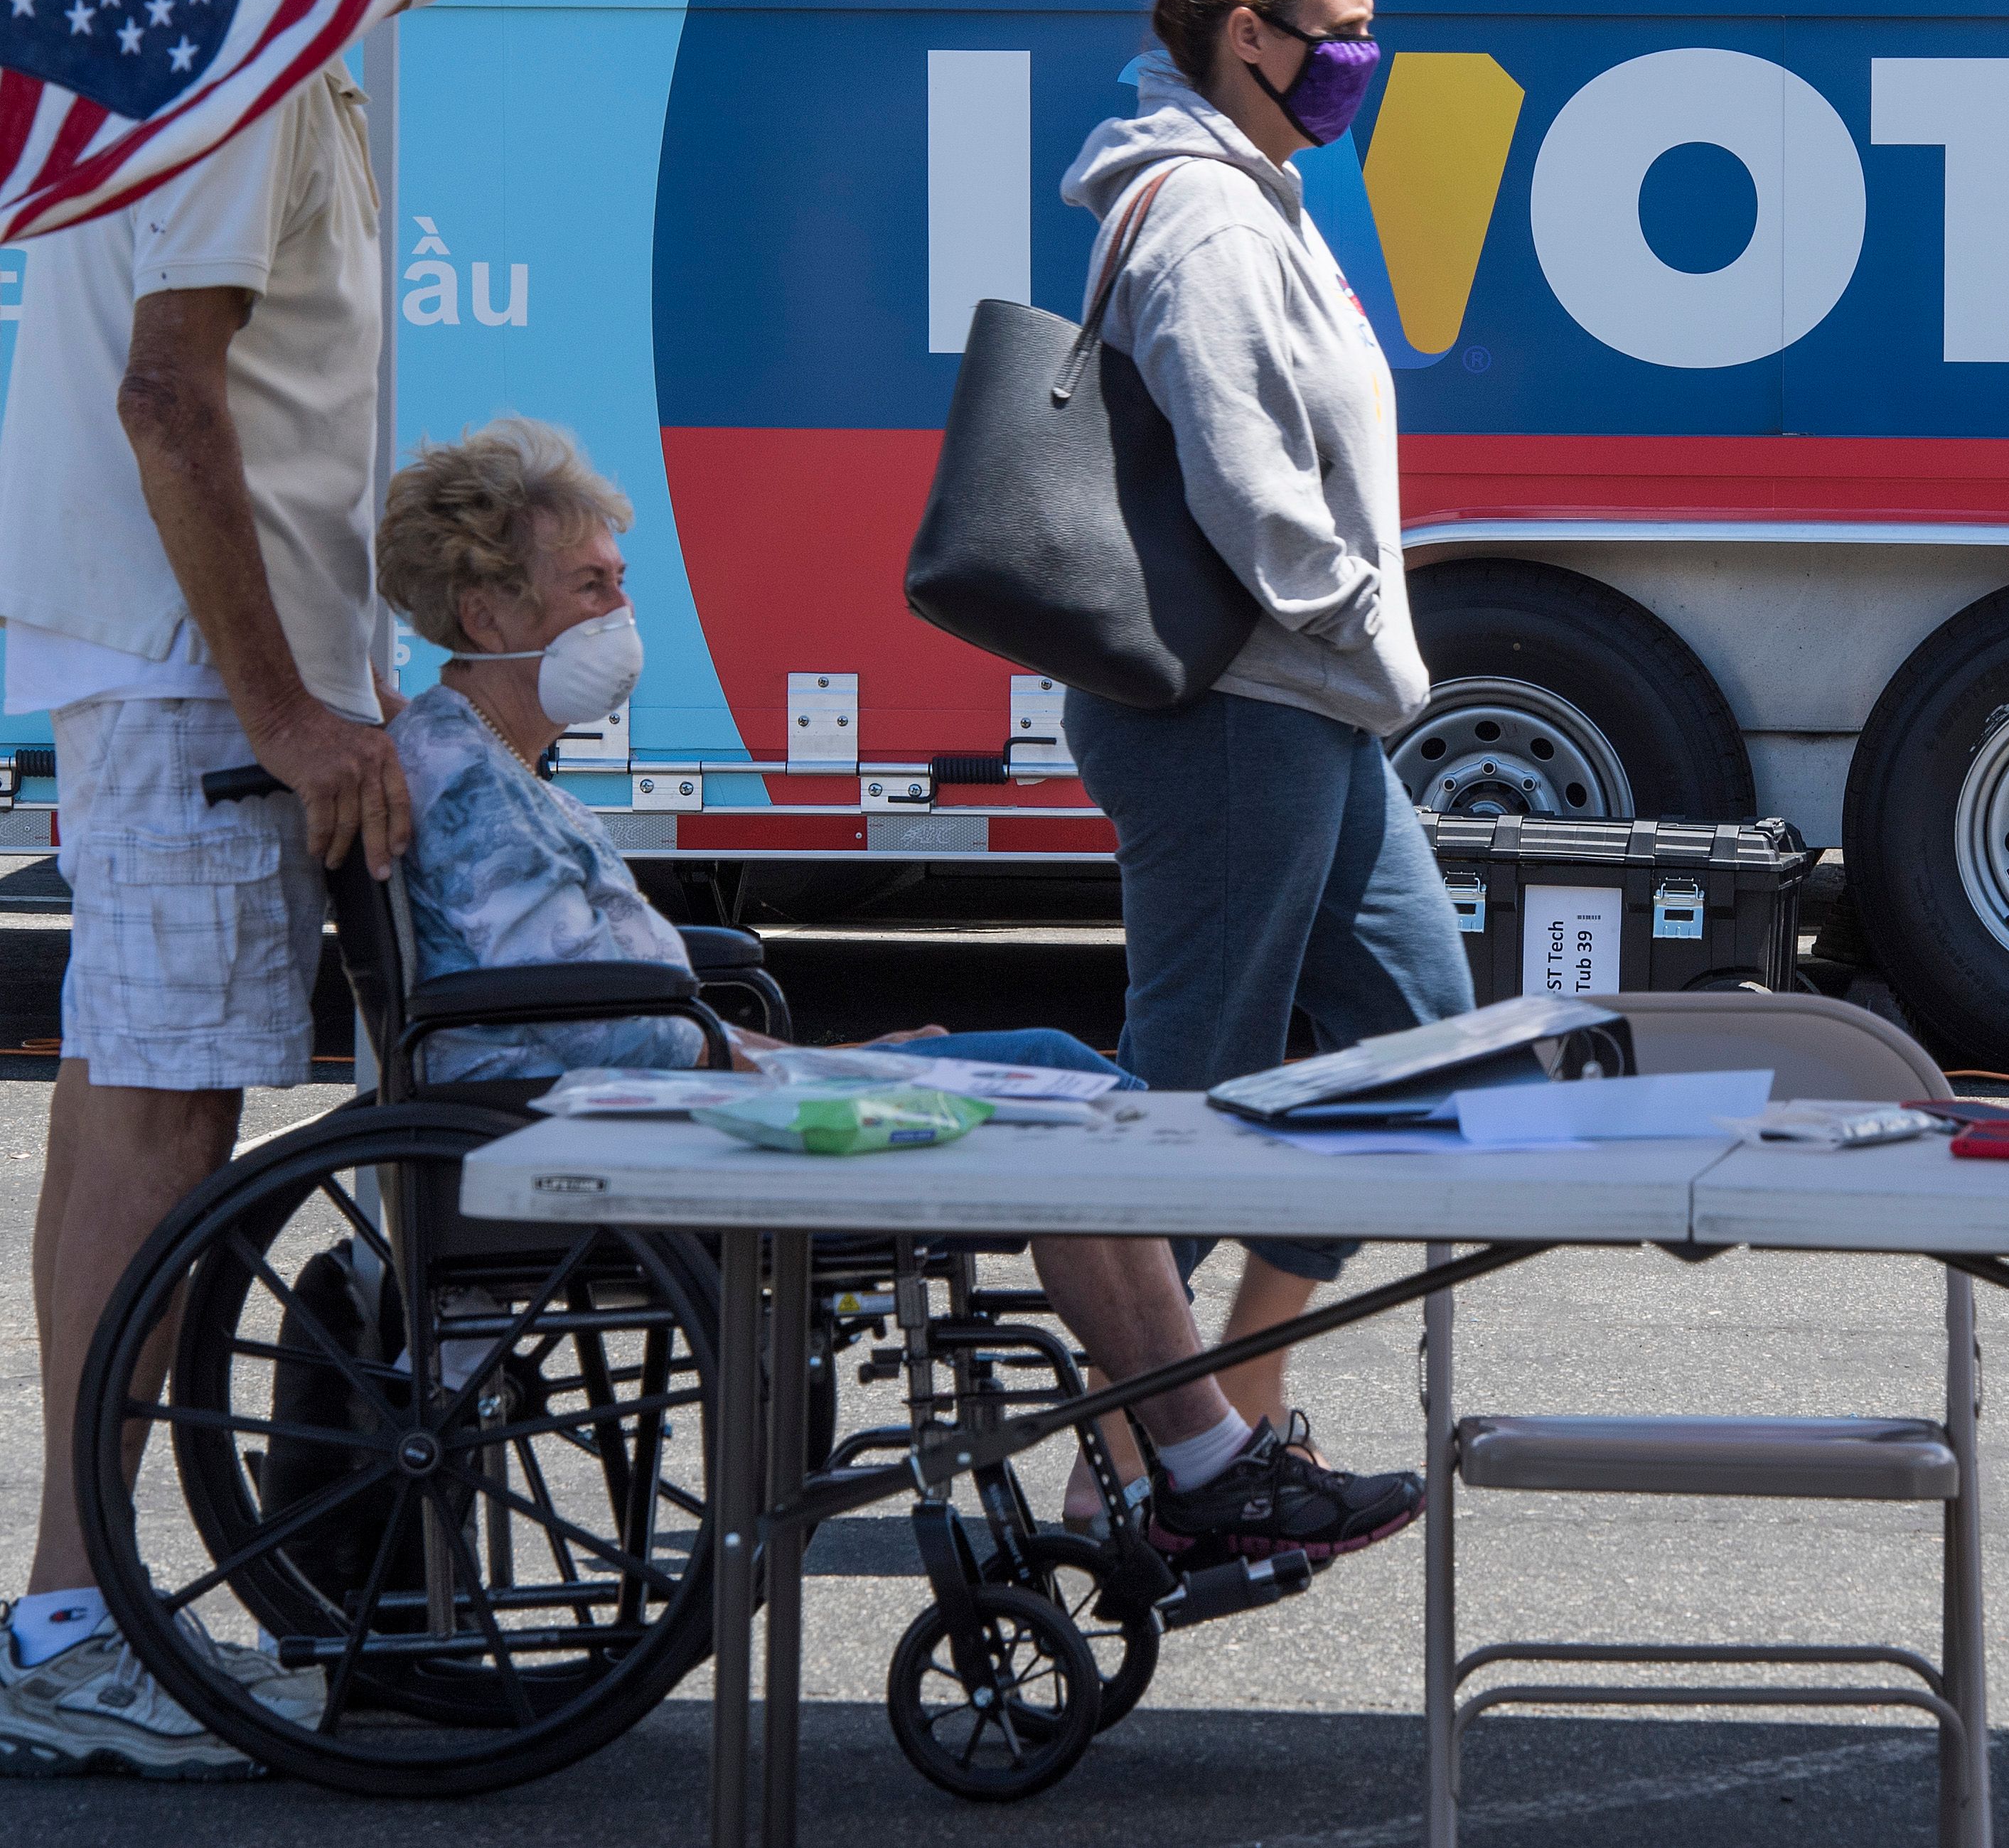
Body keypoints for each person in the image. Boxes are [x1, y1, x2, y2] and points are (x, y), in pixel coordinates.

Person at [371, 417, 1424, 1566]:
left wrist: (818, 1057)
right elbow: (589, 1026)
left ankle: (1196, 1455)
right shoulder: (467, 784)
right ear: (487, 613)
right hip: (618, 1136)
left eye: (619, 582)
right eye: (587, 586)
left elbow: (591, 1003)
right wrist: (808, 1065)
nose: (618, 614)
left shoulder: (489, 765)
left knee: (1058, 1079)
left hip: (656, 1100)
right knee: (1060, 1092)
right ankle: (1204, 1461)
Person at [0, 38, 439, 1773]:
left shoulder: (272, 61)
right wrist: (280, 699)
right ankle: (64, 1617)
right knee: (158, 1104)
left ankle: (71, 1604)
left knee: (149, 1097)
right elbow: (164, 394)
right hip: (189, 682)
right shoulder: (252, 70)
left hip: (188, 669)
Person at [1056, 0, 1474, 1463]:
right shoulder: (1211, 223)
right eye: (1346, 29)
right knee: (1191, 1090)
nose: (1365, 59)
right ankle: (1140, 1457)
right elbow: (1249, 484)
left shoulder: (1263, 194)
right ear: (1252, 35)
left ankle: (1238, 1391)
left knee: (1418, 1041)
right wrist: (1370, 628)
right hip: (1240, 705)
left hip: (1303, 705)